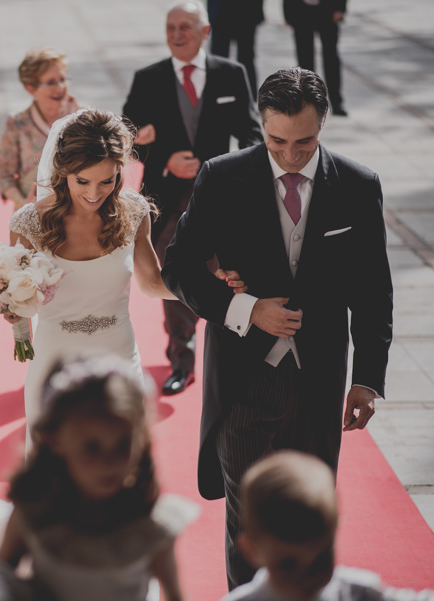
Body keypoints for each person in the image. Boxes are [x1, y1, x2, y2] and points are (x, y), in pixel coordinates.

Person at [160, 67, 393, 590]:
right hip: (245, 382)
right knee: (249, 522)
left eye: (305, 141)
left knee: (311, 523)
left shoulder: (358, 185)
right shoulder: (222, 176)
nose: (291, 154)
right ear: (260, 125)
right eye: (277, 141)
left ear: (325, 121)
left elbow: (375, 292)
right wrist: (246, 309)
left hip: (319, 384)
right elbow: (178, 267)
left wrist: (368, 379)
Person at [7, 108, 247, 452]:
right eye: (83, 181)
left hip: (118, 355)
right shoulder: (29, 223)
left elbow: (150, 282)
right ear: (63, 173)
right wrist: (14, 316)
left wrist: (208, 285)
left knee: (122, 466)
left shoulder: (133, 210)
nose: (95, 193)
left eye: (107, 181)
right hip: (54, 362)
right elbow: (18, 297)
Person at [0, 354, 197, 601]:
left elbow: (174, 594)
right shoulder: (35, 510)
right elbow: (1, 582)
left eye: (122, 444)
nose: (108, 462)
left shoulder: (150, 521)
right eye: (91, 447)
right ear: (55, 440)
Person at [122, 1, 262, 397]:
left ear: (205, 32)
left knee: (227, 275)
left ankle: (229, 355)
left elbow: (252, 134)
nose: (177, 34)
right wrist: (165, 156)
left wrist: (222, 166)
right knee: (175, 276)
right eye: (171, 27)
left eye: (185, 27)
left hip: (219, 199)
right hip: (165, 197)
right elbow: (128, 136)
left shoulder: (231, 74)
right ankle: (181, 361)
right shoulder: (147, 78)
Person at [224, 451, 434, 601]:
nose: (304, 575)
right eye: (287, 564)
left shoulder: (362, 592)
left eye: (321, 560)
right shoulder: (356, 593)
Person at [0, 47, 79, 211]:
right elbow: (3, 175)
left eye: (62, 79)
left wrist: (77, 123)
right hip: (33, 209)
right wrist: (23, 203)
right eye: (50, 82)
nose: (60, 87)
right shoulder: (18, 124)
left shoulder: (81, 116)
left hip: (76, 209)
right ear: (30, 88)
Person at [283, 0, 348, 116]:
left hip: (328, 9)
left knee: (331, 58)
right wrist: (287, 12)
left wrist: (340, 8)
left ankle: (337, 102)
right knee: (304, 59)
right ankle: (309, 101)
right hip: (301, 10)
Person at [207, 0, 264, 98]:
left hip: (246, 10)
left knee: (246, 59)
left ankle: (249, 100)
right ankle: (216, 96)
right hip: (220, 10)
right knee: (217, 59)